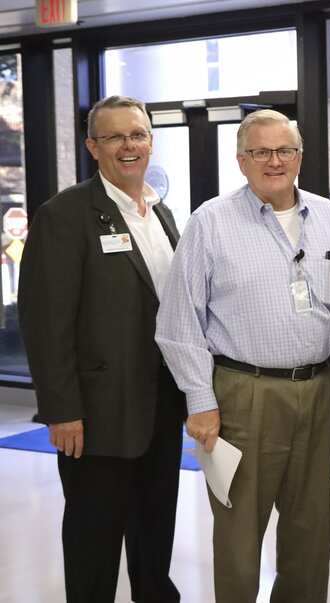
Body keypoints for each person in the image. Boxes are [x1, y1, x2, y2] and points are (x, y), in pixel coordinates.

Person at [155, 109, 330, 603]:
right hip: (242, 394)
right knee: (240, 531)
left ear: (300, 157)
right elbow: (179, 323)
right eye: (261, 152)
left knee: (311, 528)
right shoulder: (210, 222)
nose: (274, 161)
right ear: (241, 161)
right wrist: (200, 400)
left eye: (285, 150)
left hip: (320, 389)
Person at [18, 95, 186, 603]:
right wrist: (61, 410)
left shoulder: (163, 213)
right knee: (95, 541)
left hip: (160, 404)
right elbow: (46, 323)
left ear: (151, 140)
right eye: (114, 137)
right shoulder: (65, 215)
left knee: (155, 531)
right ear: (93, 146)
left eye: (137, 134)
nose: (128, 146)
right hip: (95, 414)